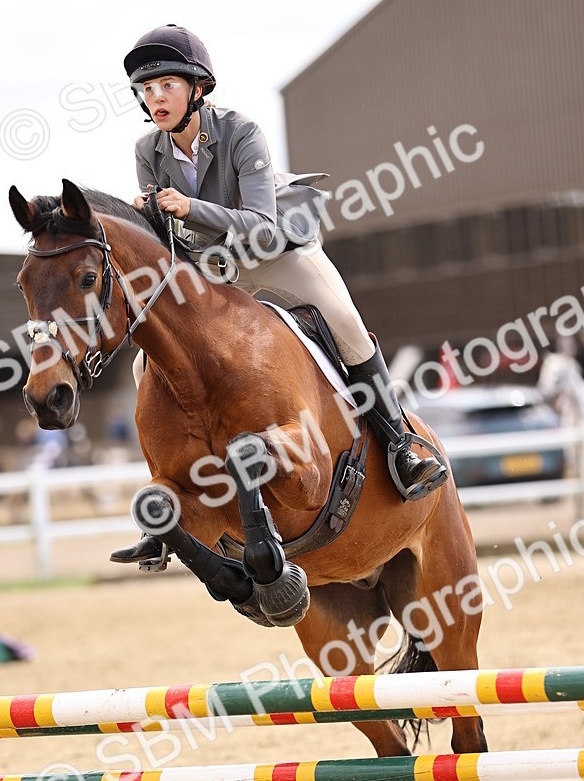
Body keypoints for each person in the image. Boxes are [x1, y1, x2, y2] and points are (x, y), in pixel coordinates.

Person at [119, 25, 447, 505]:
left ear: (198, 88)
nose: (156, 98)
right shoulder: (147, 151)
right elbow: (171, 240)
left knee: (347, 325)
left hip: (278, 252)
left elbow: (260, 225)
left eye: (167, 85)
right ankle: (172, 490)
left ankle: (401, 445)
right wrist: (149, 218)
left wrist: (188, 208)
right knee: (145, 362)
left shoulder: (241, 131)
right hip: (218, 265)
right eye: (147, 90)